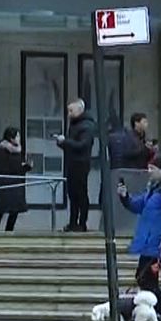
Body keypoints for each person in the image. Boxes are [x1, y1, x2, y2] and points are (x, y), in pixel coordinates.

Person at [118, 154, 161, 321]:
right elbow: (138, 205)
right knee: (145, 279)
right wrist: (125, 197)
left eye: (152, 168)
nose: (149, 171)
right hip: (148, 244)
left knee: (146, 279)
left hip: (157, 245)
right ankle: (159, 312)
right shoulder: (153, 189)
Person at [55, 99, 95, 232]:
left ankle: (81, 223)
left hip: (81, 164)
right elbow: (73, 145)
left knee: (80, 194)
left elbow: (82, 145)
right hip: (72, 163)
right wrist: (62, 143)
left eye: (71, 111)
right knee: (72, 194)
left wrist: (65, 141)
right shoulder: (74, 125)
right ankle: (73, 222)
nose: (69, 114)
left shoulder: (87, 126)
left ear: (80, 110)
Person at [0, 127, 31, 232]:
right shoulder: (0, 152)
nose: (19, 139)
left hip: (14, 187)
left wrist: (26, 167)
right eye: (17, 136)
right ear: (11, 138)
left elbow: (17, 168)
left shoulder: (17, 151)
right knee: (0, 212)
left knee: (12, 212)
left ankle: (5, 232)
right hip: (5, 186)